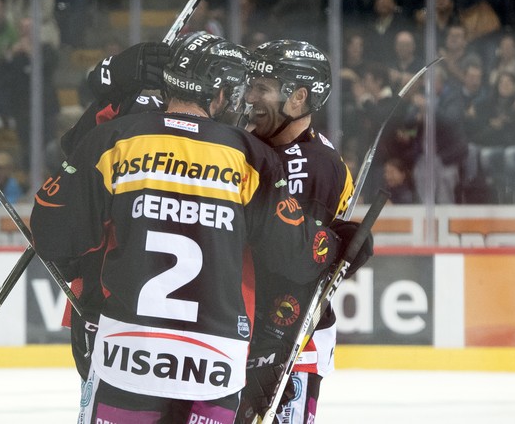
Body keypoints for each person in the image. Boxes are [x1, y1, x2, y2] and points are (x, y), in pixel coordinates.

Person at [30, 33, 359, 423]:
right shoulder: (249, 156)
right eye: (244, 89)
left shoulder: (117, 139)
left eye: (261, 88)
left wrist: (111, 83)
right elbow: (296, 256)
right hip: (213, 366)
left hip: (123, 353)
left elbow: (53, 231)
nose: (249, 101)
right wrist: (337, 244)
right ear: (220, 95)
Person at [237, 40, 358, 424]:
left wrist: (273, 347)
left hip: (291, 342)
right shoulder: (251, 143)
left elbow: (303, 265)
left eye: (263, 88)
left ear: (298, 97)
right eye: (250, 84)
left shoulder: (317, 165)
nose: (250, 96)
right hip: (246, 332)